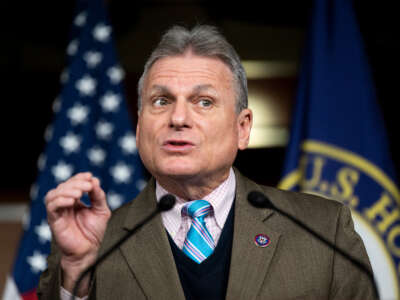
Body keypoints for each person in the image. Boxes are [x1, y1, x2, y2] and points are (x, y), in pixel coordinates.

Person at [38, 25, 375, 300]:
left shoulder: (324, 231)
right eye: (161, 101)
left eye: (203, 101)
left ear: (242, 129)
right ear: (140, 128)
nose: (179, 117)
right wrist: (79, 272)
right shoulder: (88, 244)